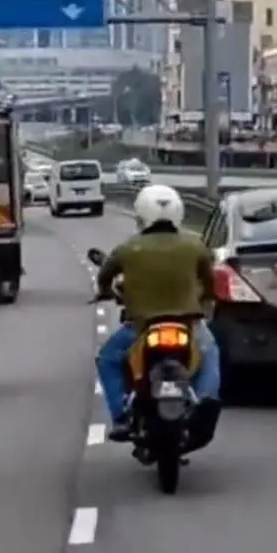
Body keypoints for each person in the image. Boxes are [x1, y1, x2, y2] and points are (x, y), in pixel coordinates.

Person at [94, 183, 222, 447]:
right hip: (188, 324)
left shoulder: (129, 248)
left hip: (141, 326)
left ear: (141, 213)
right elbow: (209, 281)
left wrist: (106, 291)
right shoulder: (194, 245)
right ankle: (206, 399)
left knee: (107, 359)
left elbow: (105, 275)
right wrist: (206, 298)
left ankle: (119, 416)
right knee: (209, 353)